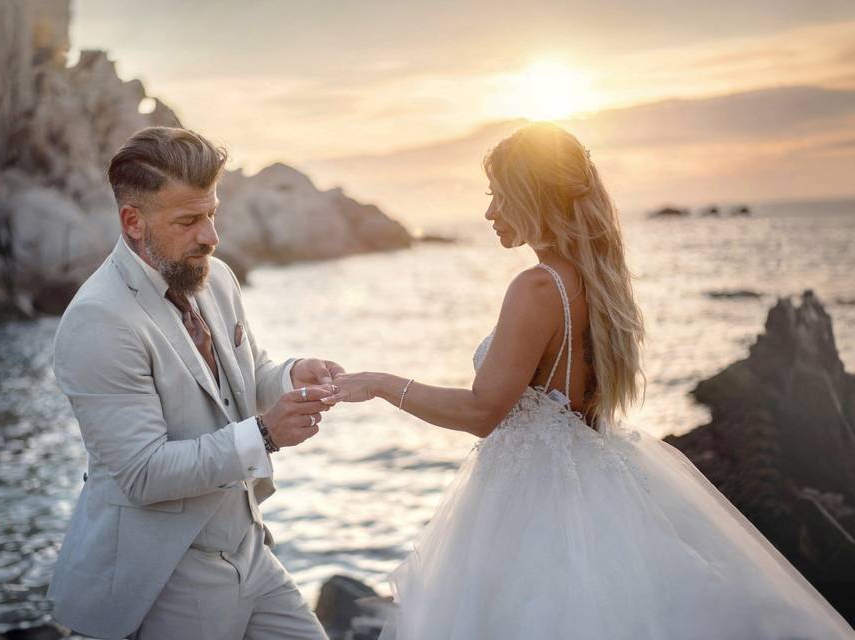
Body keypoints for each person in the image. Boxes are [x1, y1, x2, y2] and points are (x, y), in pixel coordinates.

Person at [325, 122, 855, 639]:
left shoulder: (537, 287)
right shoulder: (596, 283)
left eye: (499, 195)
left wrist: (379, 383)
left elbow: (481, 412)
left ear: (534, 196)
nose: (488, 212)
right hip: (593, 482)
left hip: (533, 502)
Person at [47, 126, 338, 640]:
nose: (210, 236)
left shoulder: (214, 275)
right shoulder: (98, 320)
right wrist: (267, 435)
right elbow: (144, 473)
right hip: (168, 572)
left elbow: (246, 377)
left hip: (251, 551)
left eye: (211, 214)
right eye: (188, 220)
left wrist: (291, 374)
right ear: (133, 222)